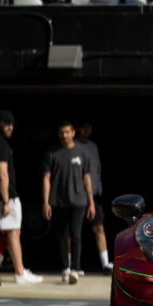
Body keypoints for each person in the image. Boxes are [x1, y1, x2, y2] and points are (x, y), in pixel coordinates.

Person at [0, 110, 43, 285]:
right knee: (14, 233)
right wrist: (6, 200)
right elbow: (2, 174)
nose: (10, 127)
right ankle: (20, 272)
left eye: (12, 124)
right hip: (4, 197)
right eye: (7, 124)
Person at [42, 122, 96, 285]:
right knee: (61, 235)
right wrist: (46, 202)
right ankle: (65, 267)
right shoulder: (52, 153)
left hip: (79, 200)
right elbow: (46, 178)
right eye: (61, 132)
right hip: (58, 201)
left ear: (73, 132)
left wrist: (91, 202)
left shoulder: (82, 153)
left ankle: (75, 268)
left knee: (76, 234)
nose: (64, 135)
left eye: (67, 132)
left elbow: (87, 178)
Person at [68, 120, 113, 275]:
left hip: (95, 194)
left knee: (98, 227)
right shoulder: (72, 147)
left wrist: (98, 190)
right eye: (83, 127)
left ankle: (106, 264)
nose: (86, 130)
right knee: (73, 231)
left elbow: (97, 171)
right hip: (77, 195)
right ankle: (70, 265)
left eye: (89, 127)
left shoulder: (93, 147)